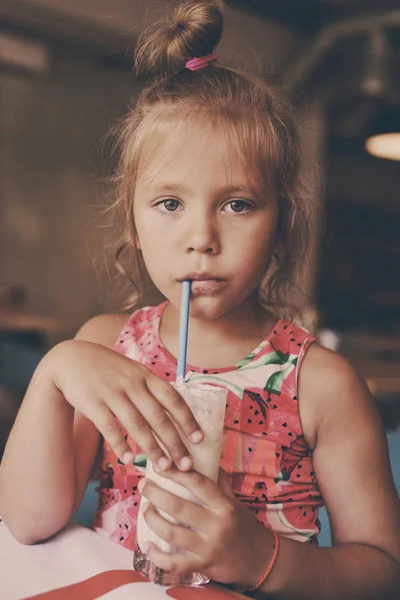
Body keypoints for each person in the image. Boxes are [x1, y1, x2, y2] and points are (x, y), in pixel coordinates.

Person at [0, 1, 399, 597]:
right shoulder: (106, 349)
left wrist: (262, 559)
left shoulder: (322, 385)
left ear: (281, 224)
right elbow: (29, 524)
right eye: (169, 204)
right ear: (133, 225)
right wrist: (56, 370)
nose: (202, 239)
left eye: (237, 204)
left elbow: (383, 574)